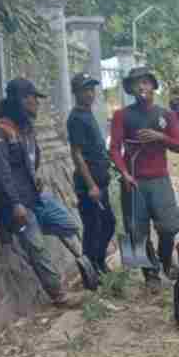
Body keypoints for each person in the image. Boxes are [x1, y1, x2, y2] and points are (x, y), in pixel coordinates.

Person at [0, 77, 99, 308]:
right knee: (36, 247)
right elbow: (1, 171)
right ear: (21, 100)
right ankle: (59, 296)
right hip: (15, 204)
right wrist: (15, 204)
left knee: (69, 225)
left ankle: (34, 228)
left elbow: (31, 159)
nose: (37, 103)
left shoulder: (26, 128)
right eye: (34, 98)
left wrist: (34, 178)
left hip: (35, 198)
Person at [109, 66, 179, 290]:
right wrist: (124, 173)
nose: (142, 86)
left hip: (160, 180)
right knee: (136, 231)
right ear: (131, 89)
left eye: (145, 82)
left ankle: (164, 260)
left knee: (170, 227)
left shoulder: (166, 115)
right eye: (136, 83)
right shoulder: (121, 115)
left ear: (153, 85)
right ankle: (150, 275)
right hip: (133, 182)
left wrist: (160, 136)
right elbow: (114, 148)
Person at [67, 72, 115, 274]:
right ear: (76, 92)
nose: (90, 94)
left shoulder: (88, 113)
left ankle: (98, 263)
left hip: (99, 181)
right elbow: (76, 154)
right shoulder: (76, 118)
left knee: (107, 223)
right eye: (85, 90)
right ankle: (90, 272)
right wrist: (91, 185)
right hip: (90, 184)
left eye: (91, 89)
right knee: (93, 227)